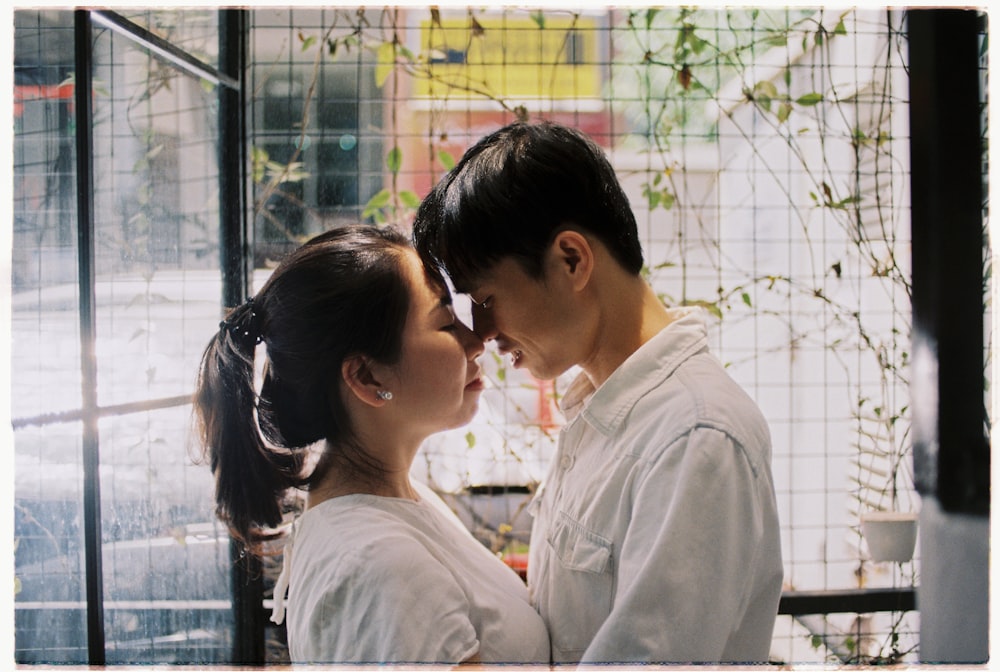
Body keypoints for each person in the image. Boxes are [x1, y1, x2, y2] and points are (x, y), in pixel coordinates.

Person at [413, 120, 784, 664]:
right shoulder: (608, 410)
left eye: (487, 299)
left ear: (571, 260)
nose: (483, 334)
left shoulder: (695, 438)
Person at [193, 224, 550, 664]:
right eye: (444, 322)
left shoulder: (399, 504)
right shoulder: (380, 566)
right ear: (366, 377)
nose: (476, 341)